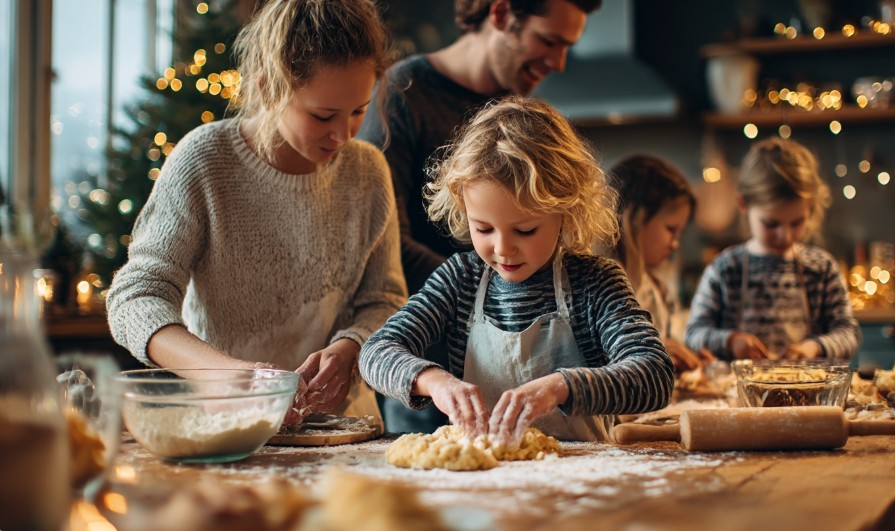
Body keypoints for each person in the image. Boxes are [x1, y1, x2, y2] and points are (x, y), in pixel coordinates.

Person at [106, 0, 407, 426]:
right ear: (268, 88)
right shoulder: (205, 160)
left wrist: (351, 348)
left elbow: (386, 300)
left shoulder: (368, 171)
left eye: (358, 111)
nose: (343, 134)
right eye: (323, 115)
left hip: (344, 432)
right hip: (226, 429)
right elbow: (135, 299)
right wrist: (226, 376)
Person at [359, 97, 674, 444]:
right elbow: (376, 352)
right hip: (486, 482)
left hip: (581, 484)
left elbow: (655, 375)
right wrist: (435, 381)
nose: (502, 248)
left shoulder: (595, 284)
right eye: (483, 229)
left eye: (525, 231)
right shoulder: (459, 281)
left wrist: (561, 387)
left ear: (566, 212)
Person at [357, 0, 602, 432]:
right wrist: (477, 288)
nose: (559, 63)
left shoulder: (518, 117)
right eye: (549, 40)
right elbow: (382, 238)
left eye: (567, 47)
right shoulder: (403, 92)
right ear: (502, 14)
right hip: (431, 365)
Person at [684, 137, 860, 361]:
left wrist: (814, 348)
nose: (784, 235)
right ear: (744, 204)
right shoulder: (725, 269)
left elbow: (849, 334)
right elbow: (693, 334)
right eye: (771, 224)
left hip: (807, 392)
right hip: (738, 394)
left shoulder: (821, 269)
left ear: (810, 209)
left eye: (796, 223)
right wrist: (731, 340)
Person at [607, 155, 715, 373]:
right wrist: (653, 351)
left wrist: (681, 358)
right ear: (635, 218)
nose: (675, 244)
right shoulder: (595, 285)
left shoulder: (654, 287)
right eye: (671, 230)